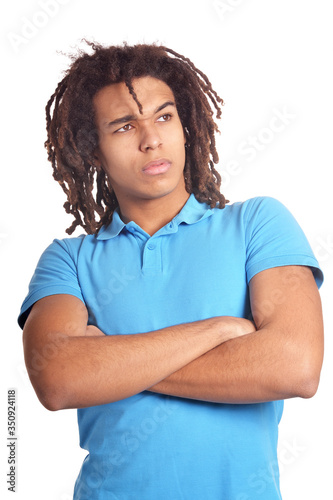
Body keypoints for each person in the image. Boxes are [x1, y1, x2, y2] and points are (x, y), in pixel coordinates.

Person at [19, 41, 324, 499]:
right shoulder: (68, 260)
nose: (151, 139)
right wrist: (220, 329)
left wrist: (111, 365)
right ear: (94, 150)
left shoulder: (258, 224)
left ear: (186, 128)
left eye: (164, 117)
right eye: (124, 126)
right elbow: (58, 380)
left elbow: (296, 366)